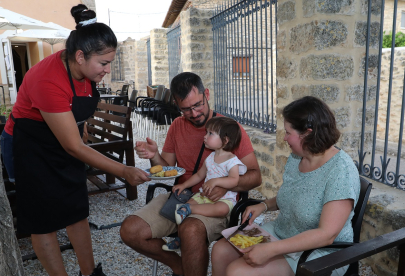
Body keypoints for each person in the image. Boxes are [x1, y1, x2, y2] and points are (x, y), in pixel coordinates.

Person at [0, 5, 149, 276]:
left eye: (110, 63)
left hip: (64, 140)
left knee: (76, 208)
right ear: (80, 56)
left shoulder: (85, 71)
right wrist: (124, 170)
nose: (107, 70)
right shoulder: (48, 79)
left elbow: (74, 123)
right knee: (42, 220)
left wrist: (81, 133)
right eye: (103, 63)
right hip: (29, 146)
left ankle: (89, 273)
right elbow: (73, 146)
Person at [120, 72, 262, 276]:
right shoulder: (177, 125)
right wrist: (154, 155)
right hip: (185, 197)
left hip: (218, 205)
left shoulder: (229, 128)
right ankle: (180, 267)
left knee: (190, 229)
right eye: (186, 109)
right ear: (177, 105)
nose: (194, 114)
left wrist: (225, 185)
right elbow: (168, 168)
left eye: (198, 105)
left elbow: (255, 176)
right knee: (130, 231)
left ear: (207, 94)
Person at [211, 96, 360, 276]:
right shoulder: (298, 157)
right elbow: (292, 195)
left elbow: (326, 235)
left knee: (238, 272)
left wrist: (271, 250)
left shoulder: (340, 171)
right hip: (283, 233)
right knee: (220, 251)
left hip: (319, 253)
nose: (284, 138)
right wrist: (264, 205)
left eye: (288, 132)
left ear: (307, 133)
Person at [162, 116, 247, 252]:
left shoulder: (232, 161)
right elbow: (199, 175)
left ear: (225, 140)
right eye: (206, 132)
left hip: (224, 200)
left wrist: (216, 181)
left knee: (222, 210)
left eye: (210, 134)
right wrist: (183, 185)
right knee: (186, 206)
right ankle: (179, 238)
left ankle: (190, 210)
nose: (205, 136)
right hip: (204, 196)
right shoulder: (211, 157)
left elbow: (234, 180)